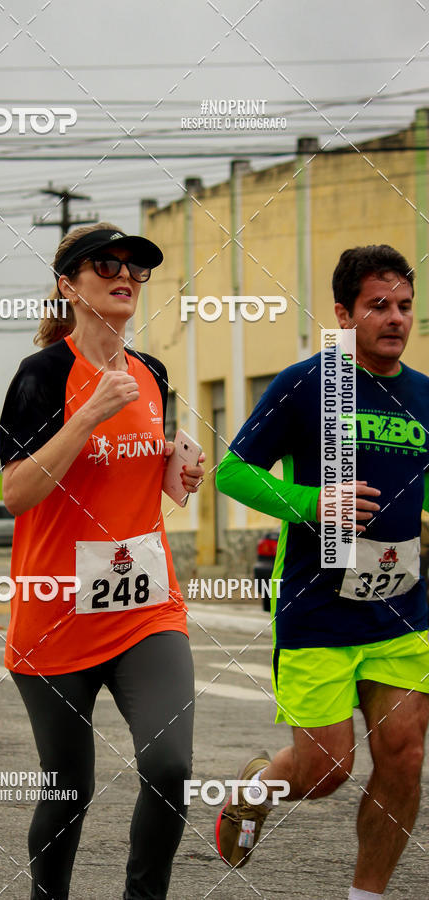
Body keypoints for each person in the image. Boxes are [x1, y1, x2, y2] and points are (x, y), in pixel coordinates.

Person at [0, 222, 205, 900]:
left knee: (170, 766)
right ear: (68, 284)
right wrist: (86, 416)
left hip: (147, 608)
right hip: (55, 615)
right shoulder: (43, 374)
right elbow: (16, 492)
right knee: (68, 790)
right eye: (105, 264)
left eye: (136, 268)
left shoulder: (154, 374)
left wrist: (181, 469)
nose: (126, 275)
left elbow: (152, 483)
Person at [215, 244, 429, 900]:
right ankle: (256, 789)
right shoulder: (309, 383)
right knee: (327, 769)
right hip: (318, 609)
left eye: (404, 306)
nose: (394, 318)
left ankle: (366, 896)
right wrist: (313, 502)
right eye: (377, 306)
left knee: (405, 756)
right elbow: (232, 472)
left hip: (401, 608)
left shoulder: (424, 394)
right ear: (344, 313)